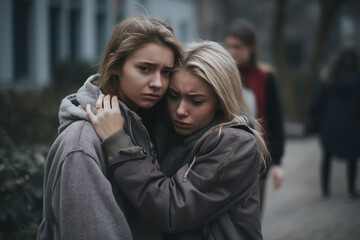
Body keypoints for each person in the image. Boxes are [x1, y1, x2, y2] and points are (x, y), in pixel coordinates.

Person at [87, 41, 268, 239]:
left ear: (221, 102)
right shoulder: (165, 129)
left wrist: (118, 143)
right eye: (173, 96)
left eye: (196, 101)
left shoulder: (235, 143)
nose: (180, 111)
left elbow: (172, 210)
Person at [36, 14, 182, 240]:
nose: (158, 83)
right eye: (145, 68)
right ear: (116, 65)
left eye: (166, 72)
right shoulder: (81, 145)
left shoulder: (149, 123)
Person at [224, 18, 285, 213]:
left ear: (251, 48)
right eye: (229, 46)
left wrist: (277, 162)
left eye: (238, 47)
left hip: (258, 158)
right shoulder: (222, 74)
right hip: (225, 157)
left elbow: (275, 121)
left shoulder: (265, 77)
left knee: (252, 218)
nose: (232, 52)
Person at [306, 47, 360, 199]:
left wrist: (313, 119)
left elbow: (316, 101)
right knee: (353, 156)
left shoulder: (327, 77)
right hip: (353, 124)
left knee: (327, 155)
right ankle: (351, 189)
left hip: (330, 123)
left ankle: (325, 189)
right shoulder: (357, 78)